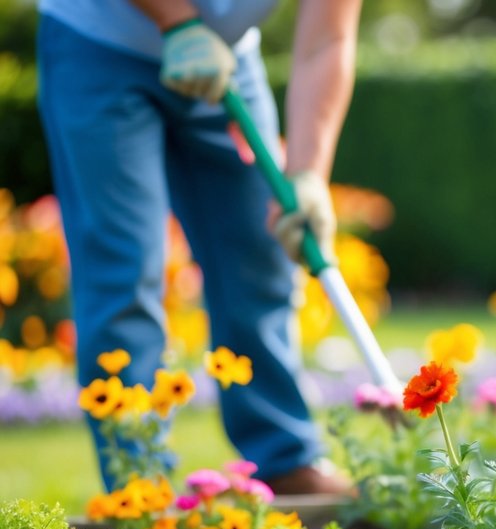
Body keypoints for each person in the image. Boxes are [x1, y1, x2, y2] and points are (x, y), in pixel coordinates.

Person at [37, 0, 362, 495]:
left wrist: (308, 175)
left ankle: (285, 460)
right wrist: (177, 21)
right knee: (125, 268)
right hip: (98, 40)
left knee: (261, 250)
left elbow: (328, 40)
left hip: (227, 57)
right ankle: (137, 483)